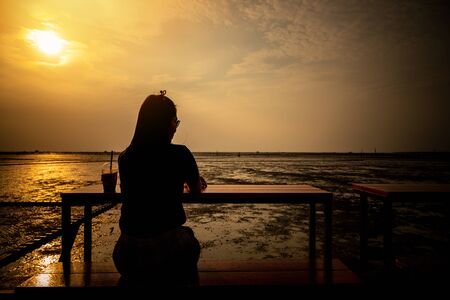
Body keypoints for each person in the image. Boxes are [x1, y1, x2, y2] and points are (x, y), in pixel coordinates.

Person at [113, 90, 207, 285]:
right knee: (188, 241)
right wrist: (194, 181)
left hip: (127, 255)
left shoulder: (125, 158)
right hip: (168, 252)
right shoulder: (180, 154)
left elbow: (143, 188)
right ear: (164, 123)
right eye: (175, 122)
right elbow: (196, 189)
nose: (176, 128)